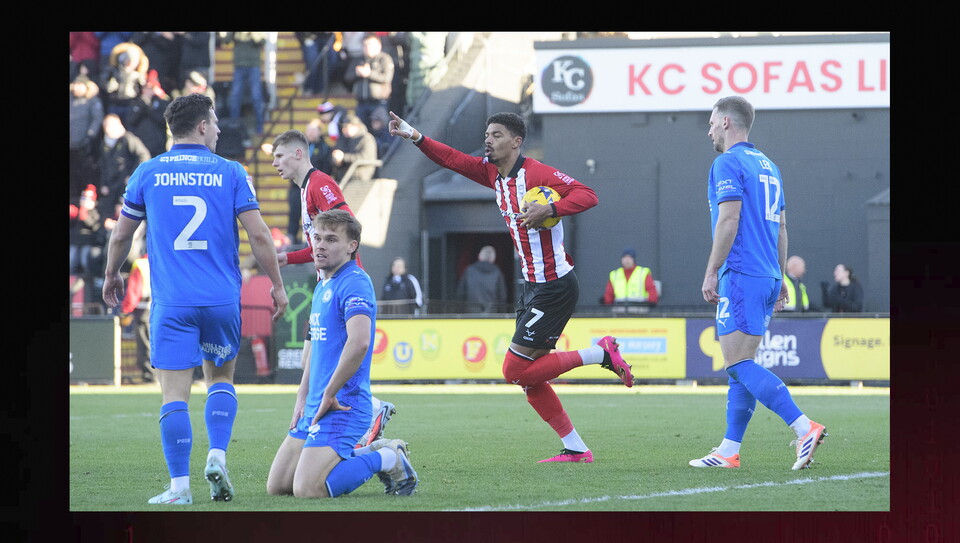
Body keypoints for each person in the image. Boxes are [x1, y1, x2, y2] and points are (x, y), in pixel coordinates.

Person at [389, 110, 633, 463]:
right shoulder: (493, 174)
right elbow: (452, 159)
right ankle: (577, 449)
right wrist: (414, 134)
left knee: (513, 371)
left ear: (516, 142)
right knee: (529, 380)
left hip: (555, 285)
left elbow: (588, 194)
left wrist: (552, 206)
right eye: (487, 133)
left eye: (497, 134)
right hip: (532, 286)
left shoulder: (535, 173)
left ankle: (600, 353)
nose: (488, 139)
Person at [101, 92, 289, 505]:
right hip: (221, 299)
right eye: (216, 123)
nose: (220, 129)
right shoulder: (231, 172)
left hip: (173, 303)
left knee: (174, 396)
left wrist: (112, 273)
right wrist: (276, 284)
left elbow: (121, 233)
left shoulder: (147, 172)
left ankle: (180, 487)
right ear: (202, 126)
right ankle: (218, 456)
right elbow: (259, 235)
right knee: (220, 379)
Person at [691, 96, 827, 471]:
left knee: (737, 363)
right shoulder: (770, 166)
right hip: (766, 274)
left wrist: (710, 270)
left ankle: (804, 428)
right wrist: (780, 275)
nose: (708, 130)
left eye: (711, 122)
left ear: (725, 123)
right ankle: (728, 451)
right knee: (741, 364)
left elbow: (728, 220)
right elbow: (781, 227)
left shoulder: (727, 162)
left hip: (741, 273)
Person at [266, 210, 418, 498]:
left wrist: (329, 393)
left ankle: (388, 457)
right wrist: (303, 396)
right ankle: (367, 450)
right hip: (317, 403)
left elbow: (360, 342)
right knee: (278, 487)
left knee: (307, 489)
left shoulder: (355, 282)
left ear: (352, 246)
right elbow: (316, 349)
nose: (320, 245)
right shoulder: (325, 282)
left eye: (331, 239)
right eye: (317, 237)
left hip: (343, 405)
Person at [270, 129, 396, 447]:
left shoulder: (320, 184)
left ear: (299, 154)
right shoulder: (305, 190)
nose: (274, 163)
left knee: (333, 356)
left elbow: (344, 225)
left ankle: (369, 412)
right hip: (326, 285)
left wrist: (336, 271)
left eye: (279, 155)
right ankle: (328, 420)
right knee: (307, 363)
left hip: (341, 286)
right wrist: (288, 257)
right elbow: (322, 241)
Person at [343, 34, 394, 149]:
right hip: (361, 102)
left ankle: (384, 151)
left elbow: (387, 77)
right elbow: (347, 77)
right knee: (361, 128)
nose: (367, 48)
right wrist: (357, 73)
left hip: (379, 102)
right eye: (365, 45)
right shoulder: (359, 60)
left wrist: (369, 74)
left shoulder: (384, 59)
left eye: (371, 45)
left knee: (379, 128)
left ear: (379, 46)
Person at [98, 114, 151, 216]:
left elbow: (144, 155)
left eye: (110, 126)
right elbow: (103, 164)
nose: (108, 129)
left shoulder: (128, 139)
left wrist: (133, 175)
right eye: (106, 126)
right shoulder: (104, 144)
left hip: (125, 183)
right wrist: (103, 183)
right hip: (111, 184)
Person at [220, 32, 267, 138]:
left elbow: (262, 42)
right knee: (236, 96)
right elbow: (226, 41)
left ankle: (259, 126)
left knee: (256, 96)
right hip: (240, 65)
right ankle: (234, 123)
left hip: (253, 65)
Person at [120, 247, 153, 382]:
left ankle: (149, 375)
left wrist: (125, 311)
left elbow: (134, 291)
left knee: (144, 344)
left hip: (143, 310)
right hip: (161, 308)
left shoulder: (141, 264)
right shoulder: (164, 260)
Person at [70, 75, 104, 202]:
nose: (77, 88)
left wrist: (90, 136)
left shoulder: (92, 101)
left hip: (84, 143)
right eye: (75, 85)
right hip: (71, 144)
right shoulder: (71, 99)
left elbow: (97, 119)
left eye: (80, 85)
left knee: (84, 171)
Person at [125, 70, 171, 157]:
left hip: (158, 143)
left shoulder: (163, 103)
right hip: (141, 142)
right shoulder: (136, 103)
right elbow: (130, 120)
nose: (148, 90)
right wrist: (142, 105)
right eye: (146, 87)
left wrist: (148, 107)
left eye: (151, 88)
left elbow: (163, 120)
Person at [456, 245, 507, 313]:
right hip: (492, 317)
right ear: (493, 259)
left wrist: (459, 313)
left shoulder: (469, 270)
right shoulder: (497, 272)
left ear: (479, 256)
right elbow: (502, 297)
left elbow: (460, 294)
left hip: (471, 316)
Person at [331, 114, 379, 183]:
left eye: (346, 127)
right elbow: (334, 154)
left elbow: (365, 157)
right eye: (343, 127)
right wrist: (336, 159)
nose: (344, 129)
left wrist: (344, 157)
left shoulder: (366, 138)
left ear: (356, 127)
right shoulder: (342, 140)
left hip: (360, 177)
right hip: (342, 177)